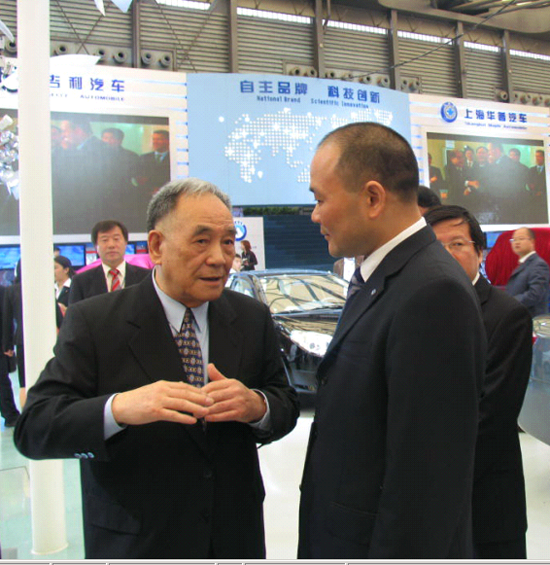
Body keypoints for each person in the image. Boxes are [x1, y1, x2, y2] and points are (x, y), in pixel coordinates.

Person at [14, 178, 299, 559]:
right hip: (137, 540)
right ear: (156, 247)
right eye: (201, 241)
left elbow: (285, 404)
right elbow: (34, 427)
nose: (219, 258)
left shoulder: (251, 317)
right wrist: (118, 409)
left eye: (228, 241)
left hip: (233, 533)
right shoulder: (96, 322)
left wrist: (257, 406)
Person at [298, 122, 486, 559]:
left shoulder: (432, 293)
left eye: (320, 199)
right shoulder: (381, 276)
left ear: (372, 198)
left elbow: (426, 485)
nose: (315, 215)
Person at [425, 205, 532, 559]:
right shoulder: (417, 311)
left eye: (457, 244)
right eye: (435, 247)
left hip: (484, 499)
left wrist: (429, 471)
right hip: (425, 505)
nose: (445, 255)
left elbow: (492, 416)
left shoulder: (507, 315)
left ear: (480, 252)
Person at [69, 220, 149, 305]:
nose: (111, 245)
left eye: (116, 239)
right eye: (105, 240)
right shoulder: (81, 281)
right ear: (96, 246)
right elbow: (75, 312)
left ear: (126, 243)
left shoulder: (146, 277)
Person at [506, 227, 550, 317]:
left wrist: (509, 302)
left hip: (532, 319)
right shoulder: (523, 264)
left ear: (532, 242)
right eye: (514, 240)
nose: (517, 242)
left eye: (521, 239)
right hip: (520, 317)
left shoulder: (538, 265)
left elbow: (534, 295)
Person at [2, 261, 26, 408]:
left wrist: (8, 345)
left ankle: (26, 414)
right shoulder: (45, 287)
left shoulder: (12, 290)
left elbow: (7, 319)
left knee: (24, 381)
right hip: (47, 339)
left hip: (21, 340)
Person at [0, 283, 19, 428]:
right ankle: (10, 414)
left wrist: (6, 343)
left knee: (2, 381)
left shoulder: (2, 291)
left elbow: (5, 318)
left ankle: (10, 414)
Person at [134, 130, 171, 196]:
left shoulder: (173, 158)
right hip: (145, 195)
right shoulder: (143, 157)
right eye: (153, 139)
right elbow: (139, 177)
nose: (155, 142)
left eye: (158, 139)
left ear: (167, 141)